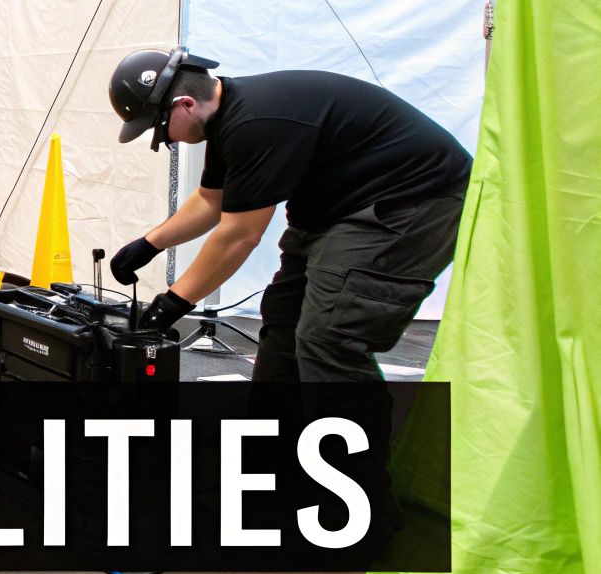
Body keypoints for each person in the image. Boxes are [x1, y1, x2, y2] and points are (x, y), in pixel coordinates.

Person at [106, 48, 470, 383]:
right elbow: (210, 201)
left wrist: (173, 303)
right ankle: (276, 427)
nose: (166, 141)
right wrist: (149, 244)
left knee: (330, 336)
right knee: (284, 316)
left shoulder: (254, 123)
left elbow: (239, 236)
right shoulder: (226, 118)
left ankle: (352, 435)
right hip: (341, 208)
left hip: (415, 201)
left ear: (185, 104)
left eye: (160, 129)